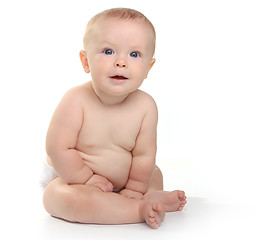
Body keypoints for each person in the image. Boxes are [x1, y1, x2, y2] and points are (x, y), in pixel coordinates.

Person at [41, 8, 186, 229]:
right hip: (78, 180)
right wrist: (86, 178)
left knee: (153, 171)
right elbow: (57, 148)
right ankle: (139, 209)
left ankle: (147, 198)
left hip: (127, 182)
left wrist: (135, 188)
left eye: (134, 54)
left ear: (149, 67)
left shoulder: (145, 106)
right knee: (56, 197)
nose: (121, 62)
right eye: (108, 51)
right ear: (86, 61)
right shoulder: (76, 100)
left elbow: (144, 154)